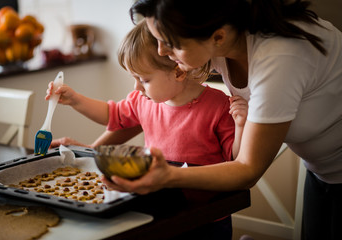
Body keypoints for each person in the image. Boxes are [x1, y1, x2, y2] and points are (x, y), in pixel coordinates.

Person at [102, 1, 342, 240]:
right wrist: (92, 149)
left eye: (171, 43)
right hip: (320, 170)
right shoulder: (221, 42)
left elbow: (248, 169)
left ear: (218, 37)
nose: (162, 51)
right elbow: (141, 110)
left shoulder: (279, 57)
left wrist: (168, 176)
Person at [46, 20, 248, 239]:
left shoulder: (218, 105)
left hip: (205, 216)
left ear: (179, 71)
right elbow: (111, 115)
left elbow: (235, 158)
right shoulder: (143, 100)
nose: (136, 88)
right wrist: (75, 100)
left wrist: (240, 125)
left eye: (144, 79)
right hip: (158, 206)